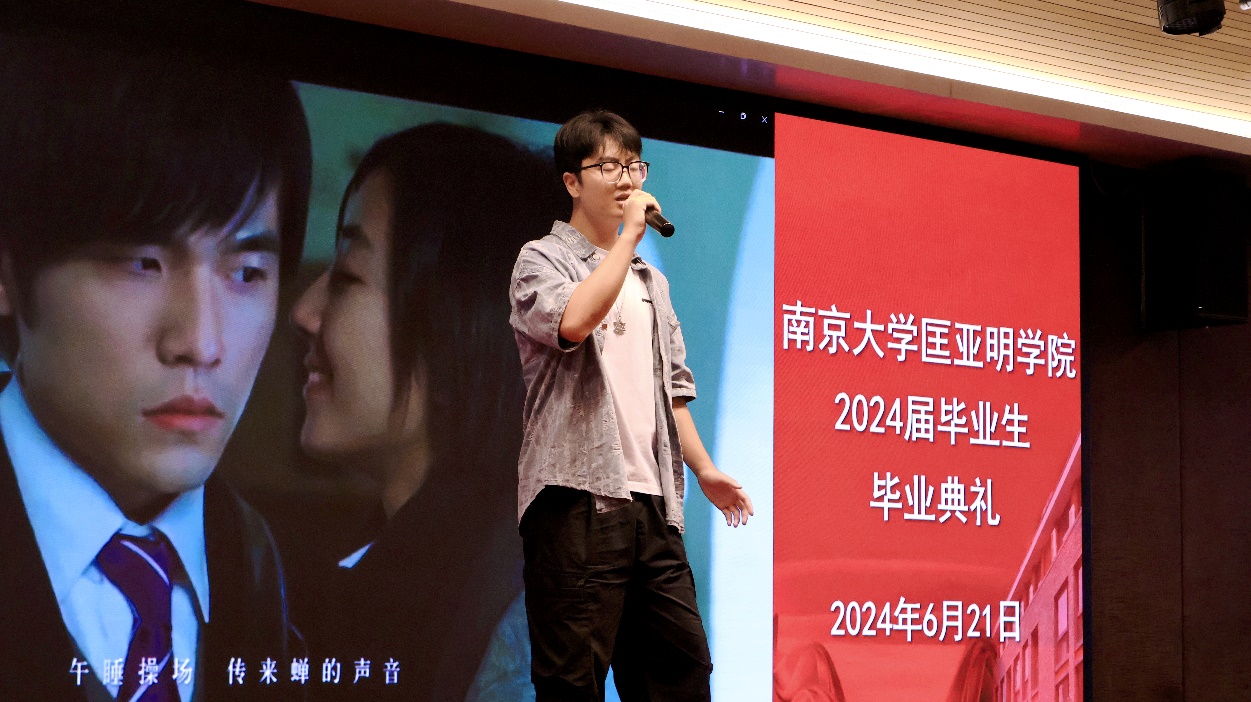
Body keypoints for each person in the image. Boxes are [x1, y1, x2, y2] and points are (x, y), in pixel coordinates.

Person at [0, 33, 311, 701]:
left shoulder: (282, 575)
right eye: (141, 263)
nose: (200, 342)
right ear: (7, 271)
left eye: (246, 272)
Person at [292, 123, 559, 701]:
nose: (304, 312)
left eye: (346, 276)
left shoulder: (528, 631)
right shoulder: (391, 574)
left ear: (455, 328)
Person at [509, 109, 755, 701]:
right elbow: (573, 320)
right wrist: (626, 239)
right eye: (609, 166)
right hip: (574, 499)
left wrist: (705, 470)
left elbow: (673, 393)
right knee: (573, 680)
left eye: (634, 165)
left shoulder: (651, 282)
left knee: (681, 674)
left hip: (653, 506)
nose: (626, 179)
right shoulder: (541, 260)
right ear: (572, 181)